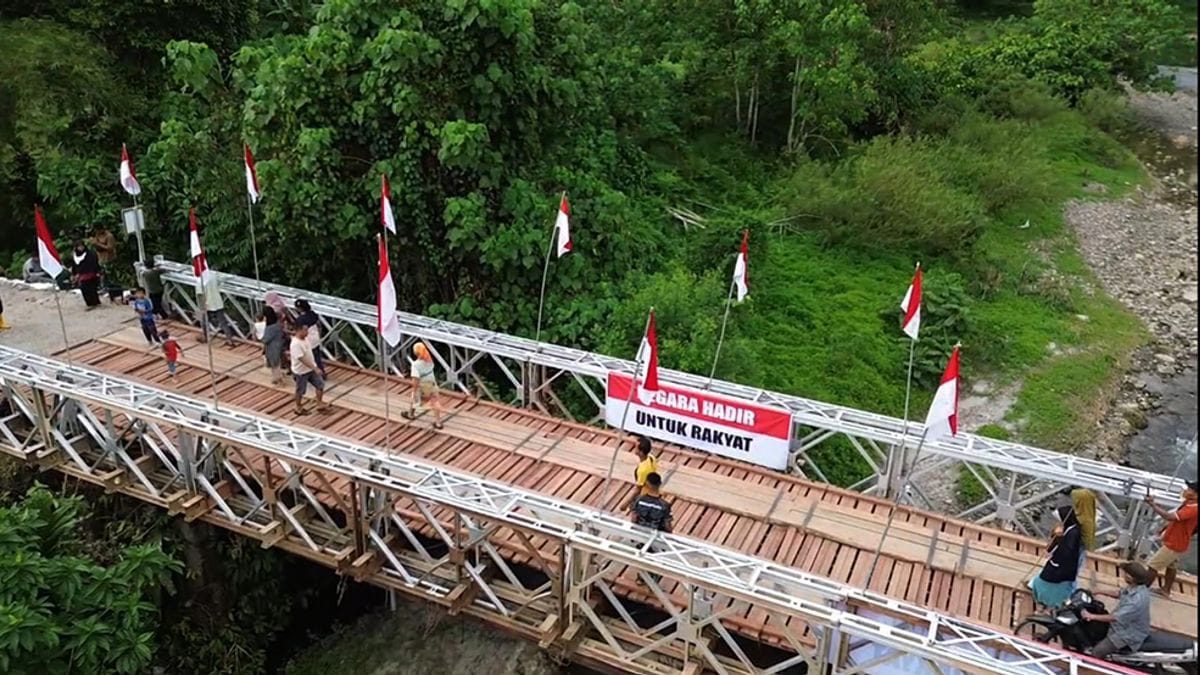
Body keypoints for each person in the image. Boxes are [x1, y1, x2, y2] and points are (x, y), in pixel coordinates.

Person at [1082, 561, 1154, 660]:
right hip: (1122, 625)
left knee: (1097, 652)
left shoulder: (1136, 601)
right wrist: (1099, 591)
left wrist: (1091, 616)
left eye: (1125, 573)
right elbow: (1119, 593)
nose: (1123, 575)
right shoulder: (1136, 587)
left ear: (1130, 577)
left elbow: (1114, 617)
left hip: (1128, 633)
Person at [1142, 479, 1198, 598]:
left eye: (1189, 490)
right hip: (1179, 542)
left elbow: (1169, 516)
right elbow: (1179, 521)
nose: (1186, 491)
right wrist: (1165, 528)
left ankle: (1141, 590)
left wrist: (1152, 504)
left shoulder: (1193, 508)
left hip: (1174, 543)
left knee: (1153, 565)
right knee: (1171, 566)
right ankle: (1165, 590)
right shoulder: (1189, 503)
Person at [1029, 506, 1084, 608]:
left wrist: (1055, 559)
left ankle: (1049, 602)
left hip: (1060, 567)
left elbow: (1066, 551)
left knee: (1045, 582)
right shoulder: (1071, 529)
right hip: (1061, 564)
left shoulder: (1072, 534)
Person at [631, 472, 673, 586]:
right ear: (659, 484)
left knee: (642, 556)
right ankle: (654, 582)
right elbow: (668, 525)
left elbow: (634, 519)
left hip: (642, 536)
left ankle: (640, 578)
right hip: (658, 538)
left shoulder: (639, 500)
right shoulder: (665, 505)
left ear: (647, 484)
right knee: (658, 558)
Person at [290, 324, 329, 415]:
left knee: (320, 385)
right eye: (305, 330)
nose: (307, 332)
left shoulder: (306, 339)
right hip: (301, 371)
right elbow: (302, 359)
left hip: (310, 368)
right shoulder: (295, 344)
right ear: (299, 330)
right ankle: (298, 406)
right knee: (300, 390)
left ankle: (319, 403)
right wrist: (314, 368)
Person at [405, 342, 444, 429]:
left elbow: (415, 379)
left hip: (422, 382)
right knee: (434, 400)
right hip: (431, 380)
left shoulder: (415, 365)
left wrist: (414, 389)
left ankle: (411, 414)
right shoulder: (429, 359)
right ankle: (438, 422)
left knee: (414, 396)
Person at [198, 271, 236, 347]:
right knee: (223, 322)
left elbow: (200, 294)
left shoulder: (200, 280)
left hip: (208, 303)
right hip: (217, 302)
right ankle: (229, 339)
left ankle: (205, 337)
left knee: (204, 321)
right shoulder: (213, 275)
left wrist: (202, 306)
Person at [293, 299, 326, 378]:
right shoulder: (313, 314)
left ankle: (313, 374)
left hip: (308, 340)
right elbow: (318, 325)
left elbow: (298, 331)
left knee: (308, 358)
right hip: (316, 337)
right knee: (317, 356)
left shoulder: (300, 320)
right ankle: (322, 372)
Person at [627, 435, 659, 509]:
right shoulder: (651, 457)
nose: (634, 448)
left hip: (644, 495)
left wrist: (626, 503)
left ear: (641, 452)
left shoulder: (642, 470)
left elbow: (638, 489)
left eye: (636, 447)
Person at [69, 241, 103, 309]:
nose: (81, 248)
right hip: (82, 276)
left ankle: (96, 302)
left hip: (91, 274)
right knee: (84, 289)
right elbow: (74, 266)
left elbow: (94, 263)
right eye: (79, 247)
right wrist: (74, 273)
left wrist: (97, 271)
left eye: (81, 246)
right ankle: (89, 303)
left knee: (92, 289)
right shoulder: (75, 255)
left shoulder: (89, 254)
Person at [260, 306, 285, 385]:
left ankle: (277, 378)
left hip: (272, 347)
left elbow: (265, 339)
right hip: (279, 345)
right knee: (277, 362)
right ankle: (277, 377)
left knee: (274, 364)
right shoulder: (278, 324)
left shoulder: (270, 328)